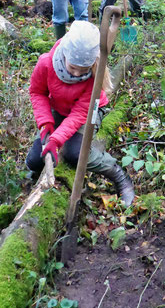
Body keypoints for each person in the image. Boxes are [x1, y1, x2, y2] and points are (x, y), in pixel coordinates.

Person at [26, 20, 135, 206]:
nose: (77, 74)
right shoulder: (46, 63)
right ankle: (35, 178)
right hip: (58, 108)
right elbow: (37, 93)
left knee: (75, 154)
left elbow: (79, 114)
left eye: (82, 69)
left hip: (89, 111)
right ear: (64, 55)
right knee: (35, 159)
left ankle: (117, 174)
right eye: (73, 68)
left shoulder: (95, 76)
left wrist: (57, 139)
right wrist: (46, 126)